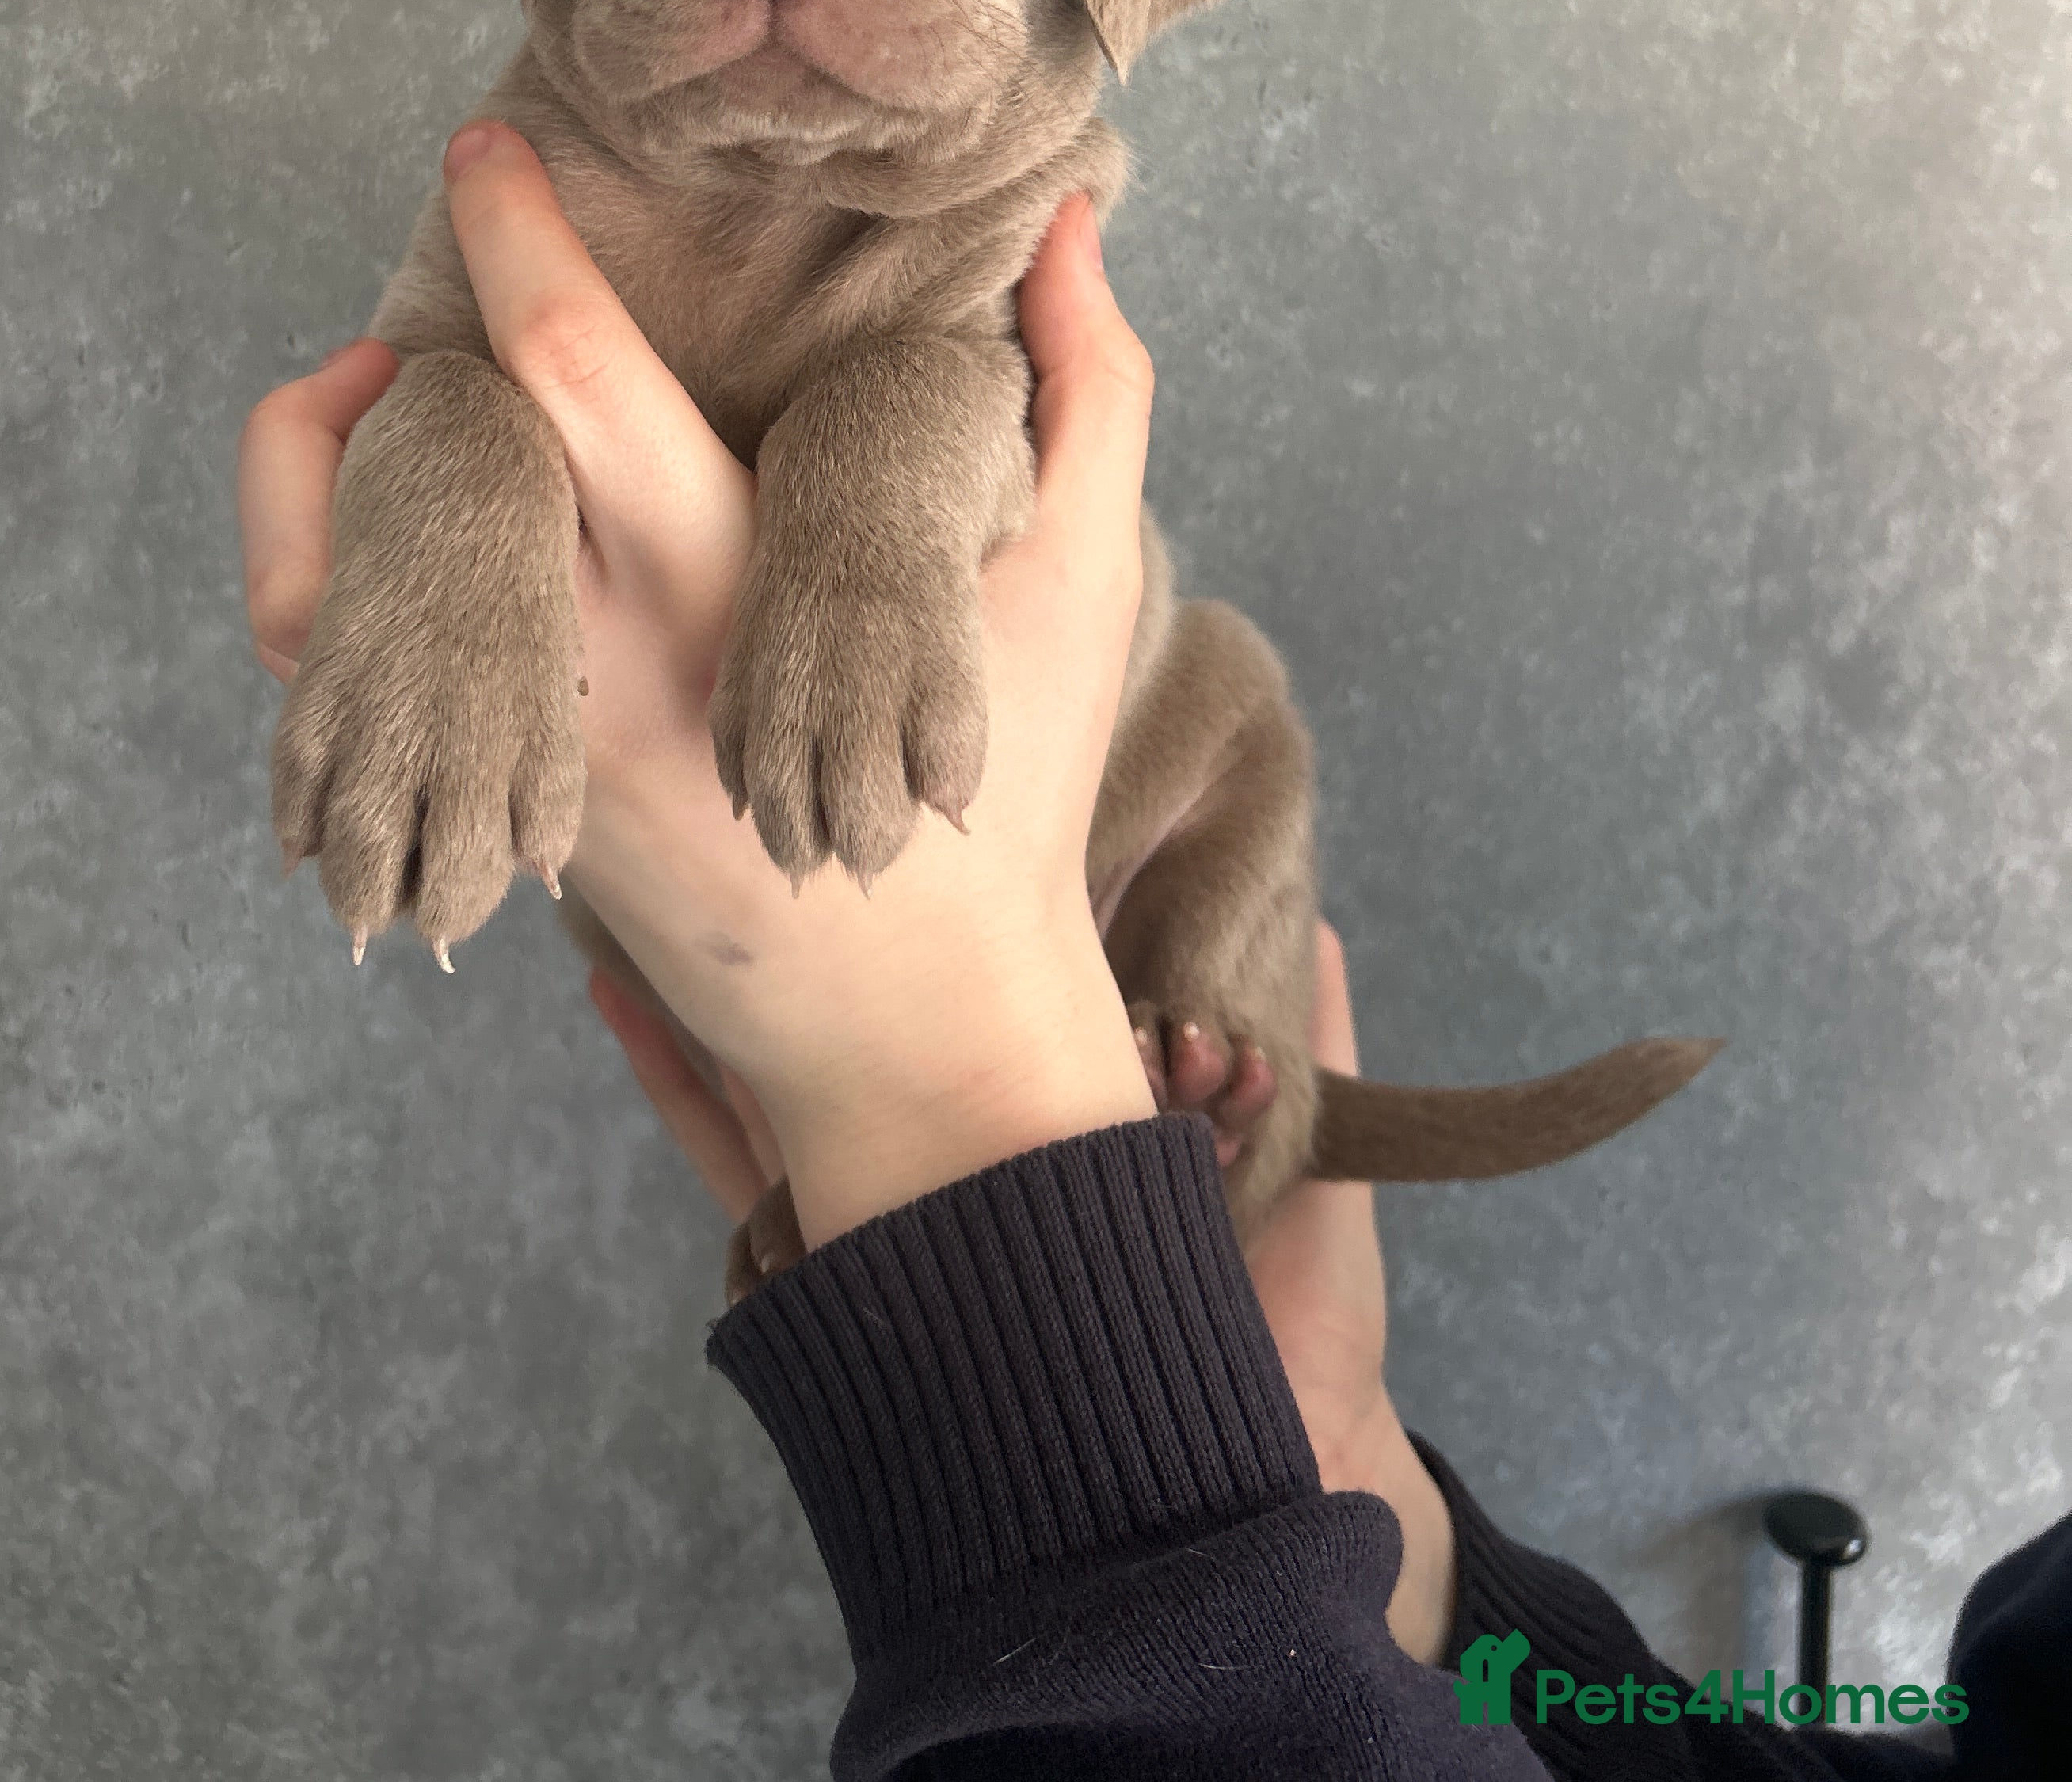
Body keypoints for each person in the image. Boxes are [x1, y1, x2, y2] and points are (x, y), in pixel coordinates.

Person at [238, 125, 2062, 1776]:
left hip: (1108, 897)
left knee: (1220, 712)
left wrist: (954, 1100)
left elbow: (950, 398)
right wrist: (1352, 1499)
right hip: (1377, 1547)